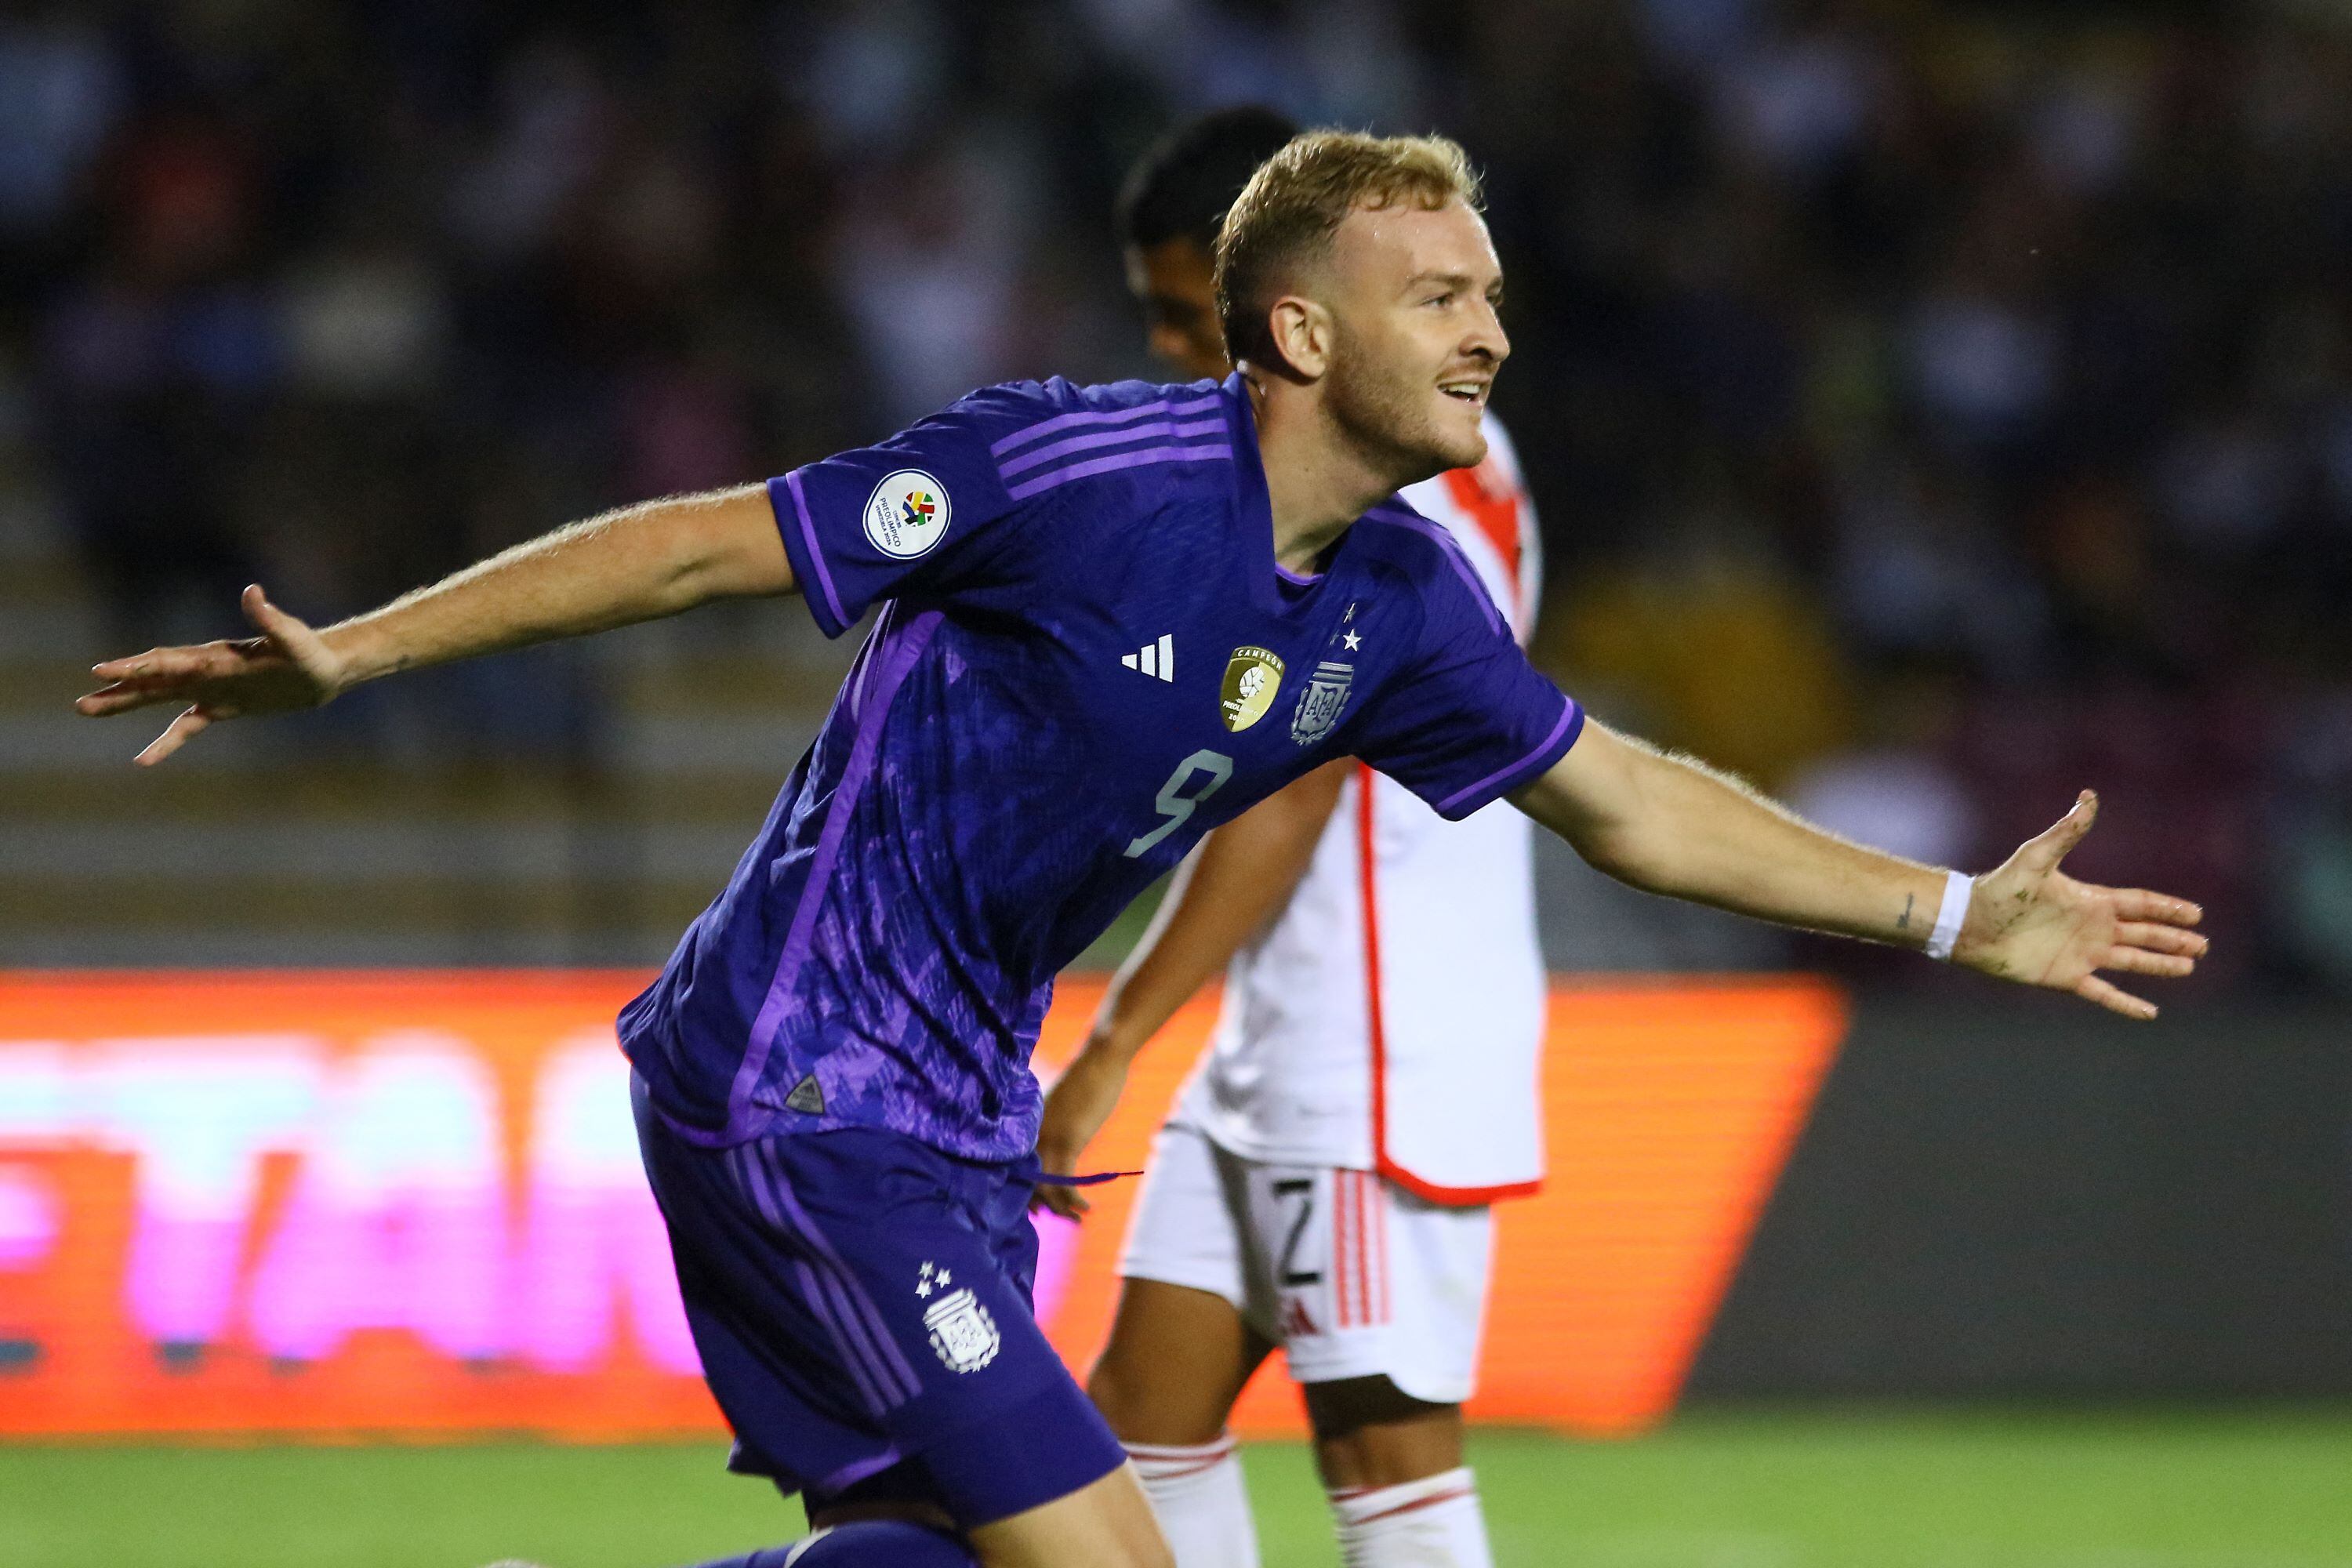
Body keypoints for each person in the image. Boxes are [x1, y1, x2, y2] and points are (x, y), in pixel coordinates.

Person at [75, 132, 2207, 1568]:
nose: (1490, 332)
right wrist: (355, 654)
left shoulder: (1396, 601)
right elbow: (706, 544)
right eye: (1440, 296)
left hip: (953, 1117)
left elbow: (1630, 798)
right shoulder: (1068, 470)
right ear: (1296, 333)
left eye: (1490, 293)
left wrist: (1949, 909)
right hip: (799, 1087)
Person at [1032, 106, 1548, 1568]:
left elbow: (1302, 784)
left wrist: (1120, 1036)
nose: (1176, 355)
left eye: (1187, 317)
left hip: (1376, 1048)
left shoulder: (1397, 482)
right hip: (1287, 1034)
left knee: (1390, 1469)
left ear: (1287, 301)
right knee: (1140, 1418)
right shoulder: (1455, 446)